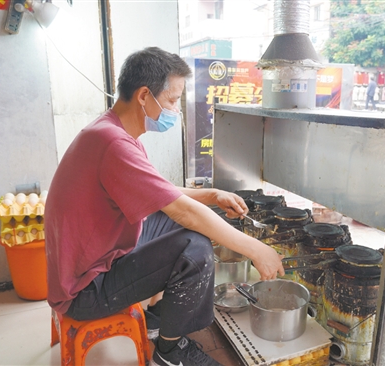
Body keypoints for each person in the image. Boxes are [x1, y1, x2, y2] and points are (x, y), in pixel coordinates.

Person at [45, 47, 285, 366]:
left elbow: (161, 194)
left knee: (186, 220)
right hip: (83, 290)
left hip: (92, 259)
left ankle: (158, 319)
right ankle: (170, 352)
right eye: (172, 101)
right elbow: (181, 210)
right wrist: (257, 249)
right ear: (145, 95)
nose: (175, 110)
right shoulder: (114, 144)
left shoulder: (109, 131)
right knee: (196, 249)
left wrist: (213, 195)